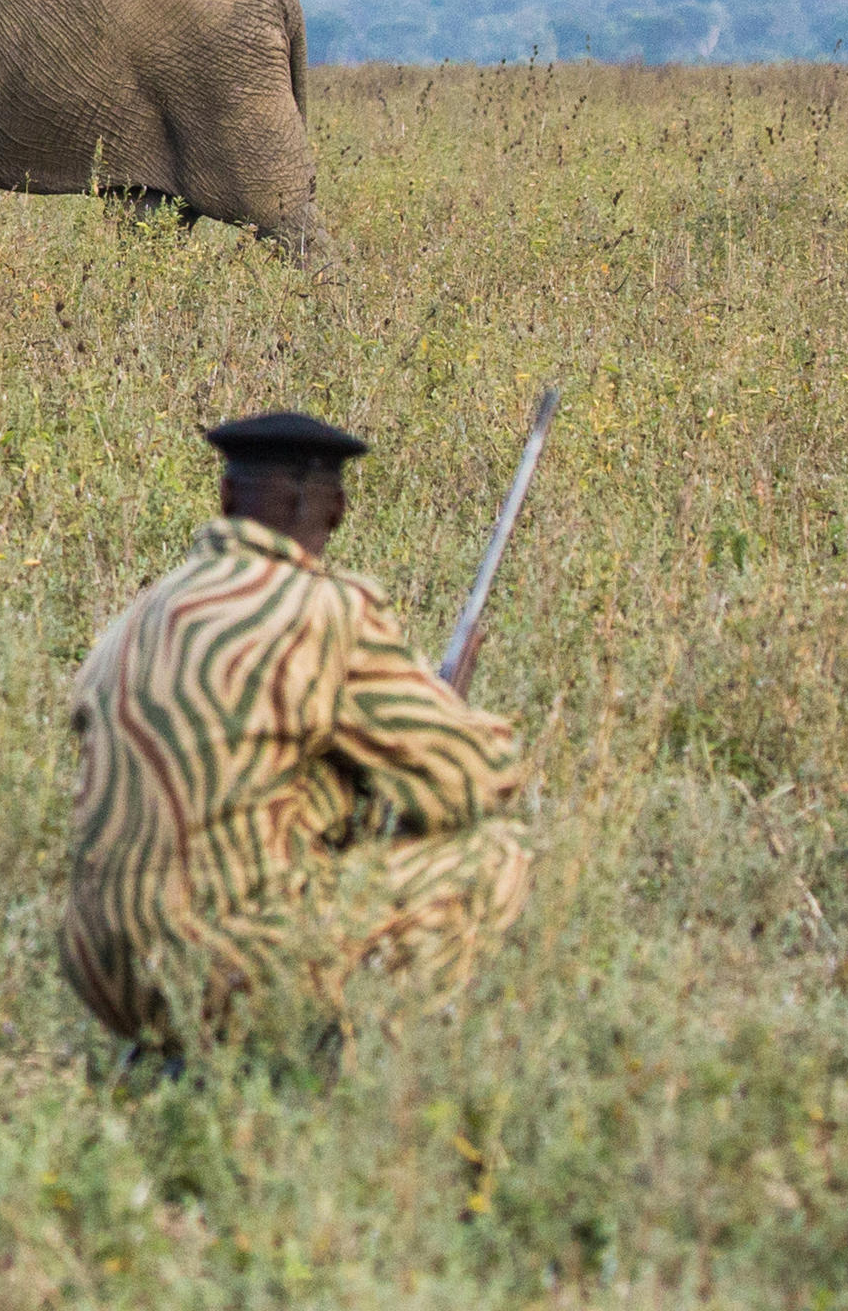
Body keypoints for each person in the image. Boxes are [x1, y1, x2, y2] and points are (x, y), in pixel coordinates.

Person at [60, 409, 531, 1052]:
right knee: (498, 853)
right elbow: (470, 781)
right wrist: (453, 716)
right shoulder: (326, 608)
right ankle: (354, 1067)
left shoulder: (138, 613)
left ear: (226, 497)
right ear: (336, 509)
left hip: (102, 973)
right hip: (226, 965)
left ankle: (172, 1060)